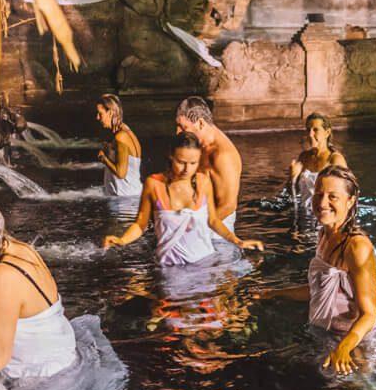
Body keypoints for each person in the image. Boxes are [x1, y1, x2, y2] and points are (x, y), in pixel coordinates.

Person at [263, 166, 376, 375]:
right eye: (318, 194)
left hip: (354, 344)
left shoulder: (357, 246)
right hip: (323, 334)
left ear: (350, 200)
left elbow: (369, 314)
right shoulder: (324, 233)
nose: (322, 203)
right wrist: (272, 294)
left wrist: (344, 347)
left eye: (333, 196)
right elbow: (321, 290)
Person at [0, 197, 105, 379]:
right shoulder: (19, 249)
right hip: (64, 363)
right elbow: (17, 311)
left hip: (42, 385)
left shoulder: (3, 274)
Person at [103, 132, 263, 265]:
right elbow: (140, 224)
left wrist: (237, 241)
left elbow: (213, 221)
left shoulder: (203, 182)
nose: (187, 169)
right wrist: (122, 240)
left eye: (193, 163)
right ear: (171, 156)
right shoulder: (154, 184)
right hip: (171, 269)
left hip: (206, 264)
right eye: (181, 162)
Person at [175, 96, 241, 239]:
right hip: (198, 227)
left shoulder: (222, 154)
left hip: (216, 236)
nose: (178, 132)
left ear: (200, 123)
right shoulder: (198, 145)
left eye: (183, 127)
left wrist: (191, 229)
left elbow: (229, 206)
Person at [289, 113, 347, 211]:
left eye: (315, 130)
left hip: (324, 213)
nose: (310, 134)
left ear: (327, 133)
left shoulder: (335, 160)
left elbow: (346, 193)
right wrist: (292, 177)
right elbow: (292, 193)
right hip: (304, 213)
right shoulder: (303, 157)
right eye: (308, 130)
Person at [96, 94, 142, 197]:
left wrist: (104, 159)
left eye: (100, 114)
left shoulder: (121, 137)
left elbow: (121, 174)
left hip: (125, 199)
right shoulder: (126, 131)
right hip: (129, 195)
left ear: (111, 112)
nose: (97, 117)